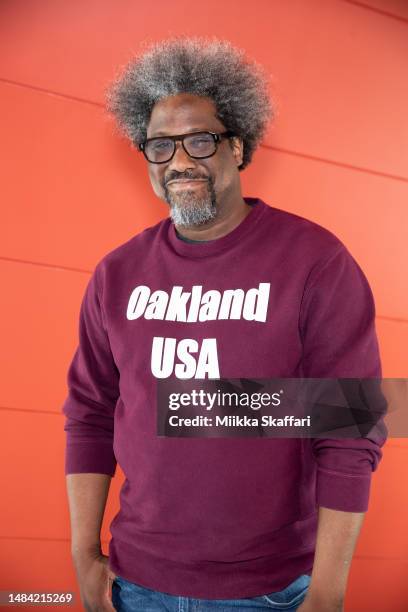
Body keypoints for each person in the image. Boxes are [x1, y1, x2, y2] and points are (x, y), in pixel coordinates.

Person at [62, 37, 387, 612]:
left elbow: (351, 426)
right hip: (135, 583)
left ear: (237, 146)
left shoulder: (314, 261)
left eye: (201, 140)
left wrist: (329, 592)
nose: (180, 161)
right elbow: (88, 415)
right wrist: (84, 556)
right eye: (160, 146)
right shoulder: (117, 273)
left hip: (270, 591)